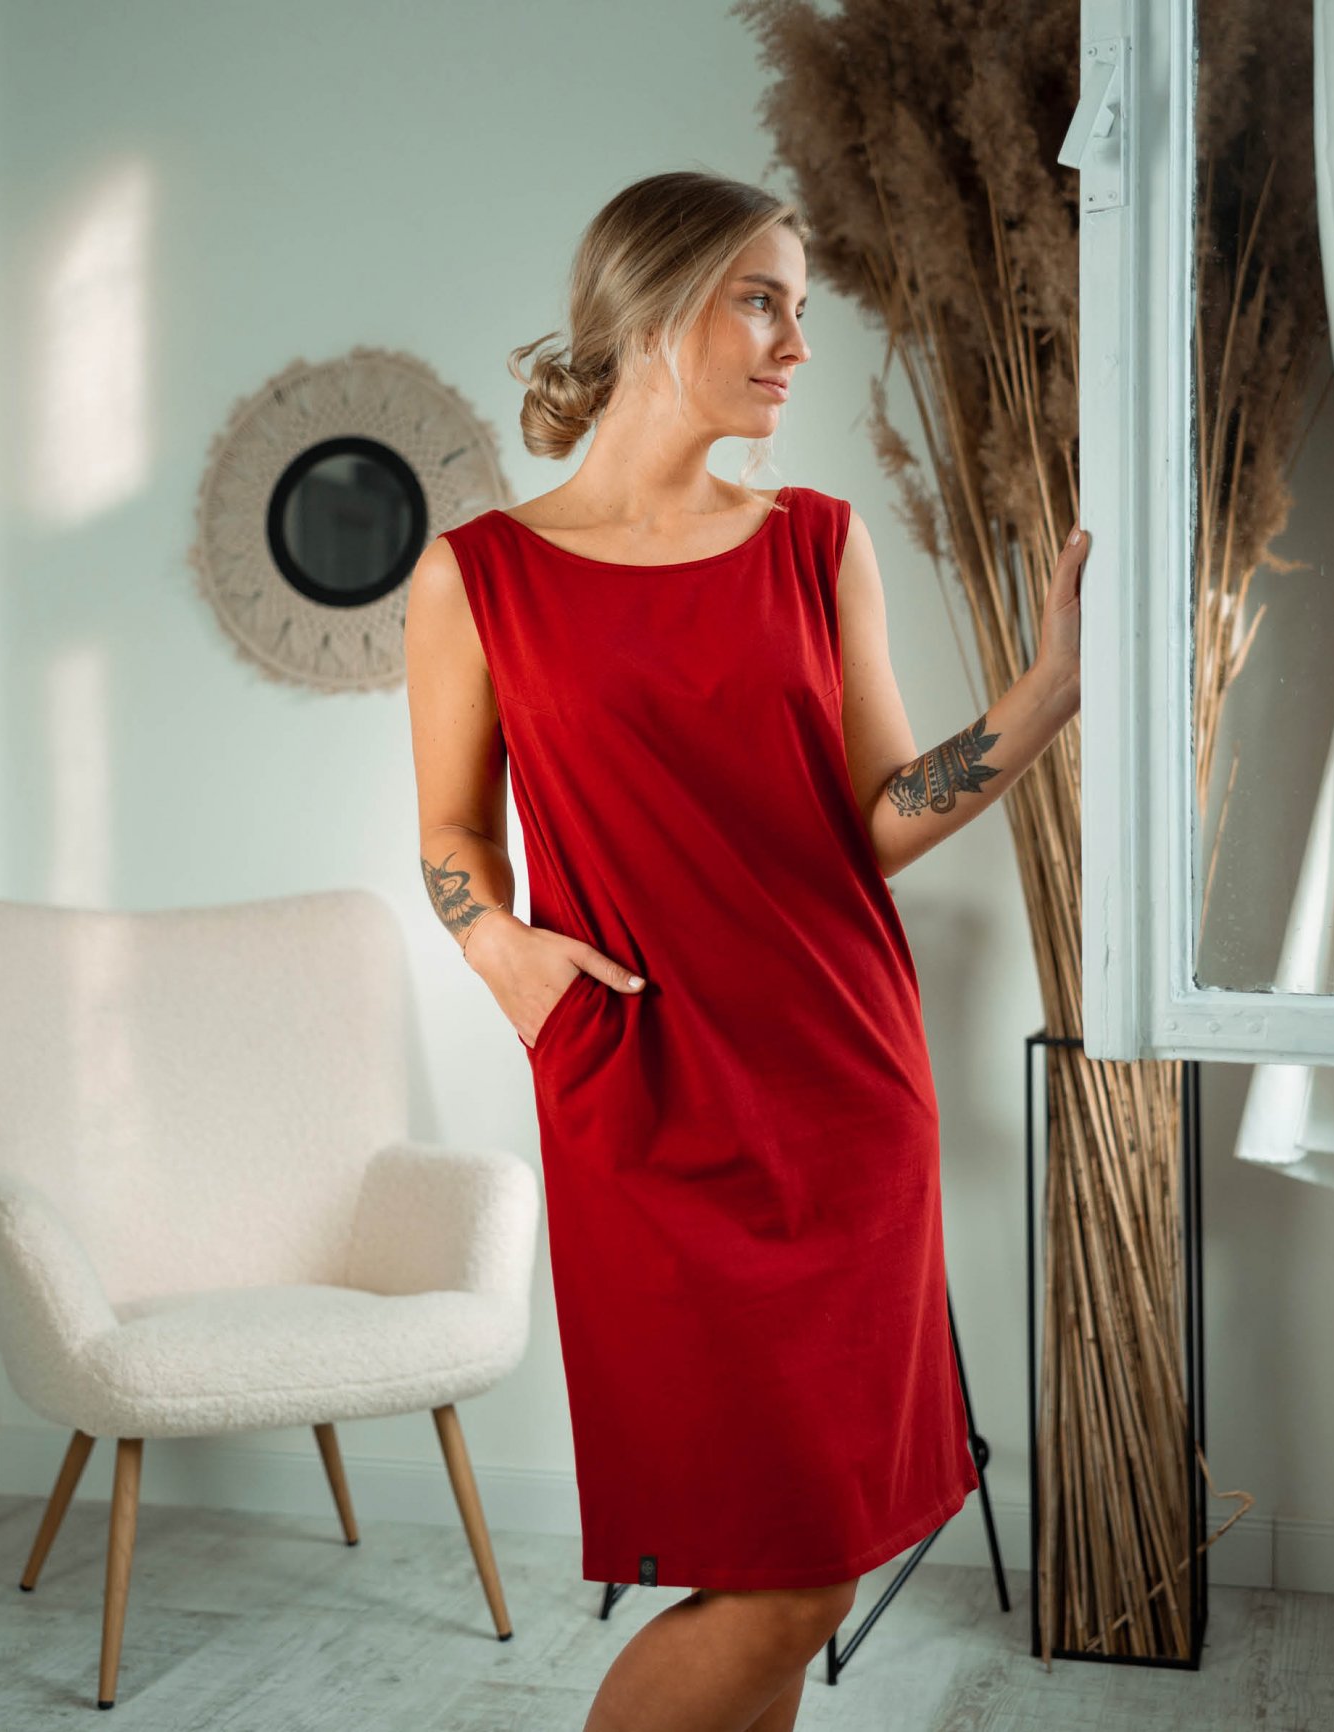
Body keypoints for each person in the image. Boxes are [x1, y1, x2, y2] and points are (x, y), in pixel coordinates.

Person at [403, 169, 1086, 1732]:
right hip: (641, 1102)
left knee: (801, 1558)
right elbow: (451, 829)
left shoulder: (814, 543)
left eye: (800, 305)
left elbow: (878, 816)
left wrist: (1042, 699)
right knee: (772, 1573)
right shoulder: (476, 575)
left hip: (841, 1089)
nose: (795, 340)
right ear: (651, 310)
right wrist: (502, 954)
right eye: (759, 300)